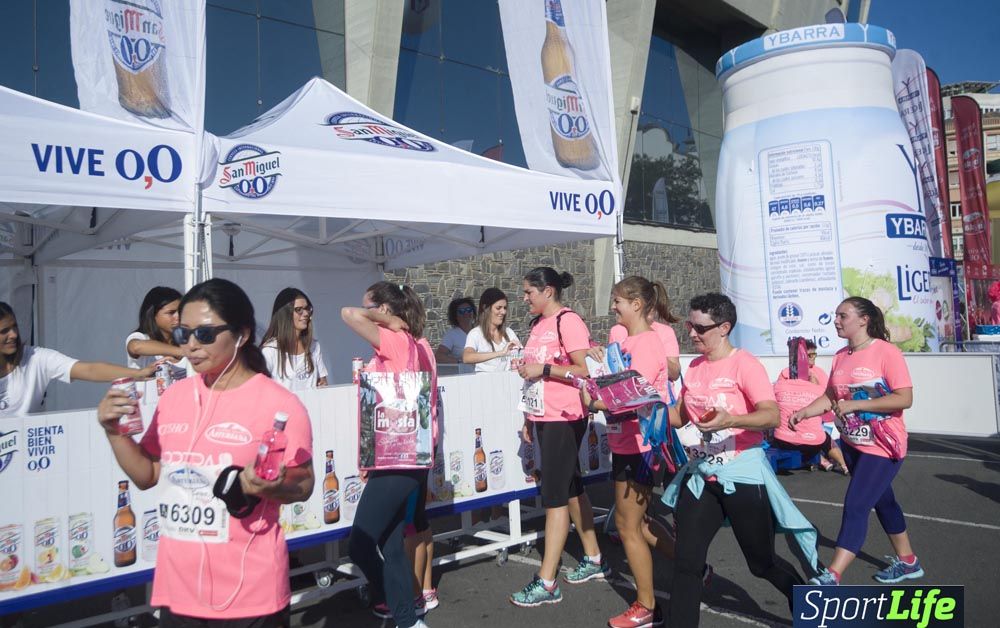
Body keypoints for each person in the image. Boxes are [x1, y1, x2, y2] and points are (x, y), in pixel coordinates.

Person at [96, 278, 315, 626]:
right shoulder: (174, 397)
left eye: (205, 334)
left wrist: (266, 486)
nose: (192, 346)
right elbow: (147, 475)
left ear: (242, 334)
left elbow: (303, 485)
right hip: (179, 589)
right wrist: (113, 432)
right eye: (183, 335)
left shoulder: (279, 403)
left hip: (250, 590)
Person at [664, 293, 818, 627]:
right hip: (702, 475)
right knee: (687, 563)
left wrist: (729, 419)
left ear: (724, 327)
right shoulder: (694, 368)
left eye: (700, 328)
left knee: (761, 564)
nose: (692, 333)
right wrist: (641, 407)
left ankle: (811, 608)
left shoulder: (744, 363)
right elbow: (679, 415)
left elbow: (771, 416)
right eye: (690, 325)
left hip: (743, 474)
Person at [792, 297, 923, 586]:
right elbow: (831, 396)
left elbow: (905, 398)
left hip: (884, 445)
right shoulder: (841, 355)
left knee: (856, 504)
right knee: (884, 502)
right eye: (835, 315)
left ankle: (833, 574)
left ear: (863, 320)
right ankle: (908, 562)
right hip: (853, 444)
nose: (836, 320)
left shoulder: (886, 352)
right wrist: (804, 412)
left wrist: (854, 406)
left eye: (843, 315)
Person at [582, 276, 676, 627]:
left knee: (627, 524)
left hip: (642, 446)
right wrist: (593, 378)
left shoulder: (647, 342)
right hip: (628, 443)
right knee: (636, 523)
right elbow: (615, 384)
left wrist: (594, 399)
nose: (613, 306)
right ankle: (690, 567)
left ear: (637, 304)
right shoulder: (631, 341)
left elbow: (633, 396)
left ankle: (647, 606)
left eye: (618, 300)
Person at [509, 267, 605, 608]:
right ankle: (593, 557)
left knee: (554, 495)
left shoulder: (569, 321)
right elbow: (532, 375)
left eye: (528, 292)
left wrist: (545, 369)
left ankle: (547, 581)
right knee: (570, 487)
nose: (524, 298)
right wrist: (527, 417)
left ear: (548, 291)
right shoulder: (537, 326)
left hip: (565, 416)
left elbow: (582, 370)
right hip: (544, 415)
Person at [342, 282, 437, 628]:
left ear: (383, 309)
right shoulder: (404, 344)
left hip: (399, 459)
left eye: (371, 306)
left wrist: (386, 320)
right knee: (392, 546)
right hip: (394, 457)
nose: (363, 309)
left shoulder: (396, 340)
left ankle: (393, 600)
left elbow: (347, 314)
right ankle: (408, 618)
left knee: (361, 544)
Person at [0, 302, 157, 418]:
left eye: (14, 327)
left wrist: (138, 373)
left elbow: (89, 369)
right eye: (4, 331)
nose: (13, 334)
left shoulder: (36, 358)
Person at [771, 339, 848, 474]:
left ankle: (828, 461)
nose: (813, 358)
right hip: (795, 425)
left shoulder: (820, 373)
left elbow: (826, 407)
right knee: (819, 435)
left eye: (814, 355)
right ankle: (832, 461)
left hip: (814, 420)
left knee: (817, 430)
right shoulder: (785, 373)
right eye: (809, 355)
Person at [126, 287, 187, 404]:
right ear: (153, 315)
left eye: (181, 311)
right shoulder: (141, 337)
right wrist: (181, 352)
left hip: (182, 410)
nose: (178, 317)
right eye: (171, 313)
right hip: (149, 414)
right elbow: (136, 347)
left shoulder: (187, 341)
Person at [261, 287, 329, 391]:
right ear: (284, 314)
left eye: (307, 308)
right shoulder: (270, 351)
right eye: (299, 310)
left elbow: (323, 384)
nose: (306, 313)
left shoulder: (314, 346)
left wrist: (322, 386)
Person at [462, 288, 521, 372]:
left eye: (505, 308)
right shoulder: (475, 333)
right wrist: (500, 353)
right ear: (485, 308)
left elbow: (521, 357)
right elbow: (467, 357)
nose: (503, 312)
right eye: (498, 308)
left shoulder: (509, 332)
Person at [435, 297, 475, 364]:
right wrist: (459, 361)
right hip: (465, 373)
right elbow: (438, 356)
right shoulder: (452, 335)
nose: (466, 313)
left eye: (469, 310)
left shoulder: (480, 331)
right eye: (461, 311)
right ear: (455, 316)